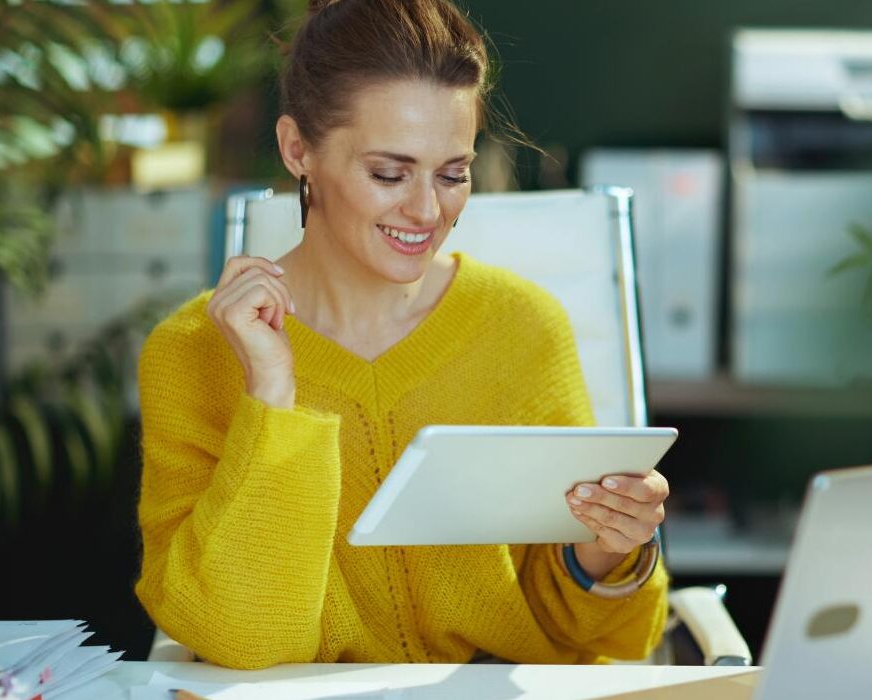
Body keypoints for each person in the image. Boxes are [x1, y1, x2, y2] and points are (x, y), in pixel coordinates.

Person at [134, 0, 669, 670]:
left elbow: (600, 640)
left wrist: (603, 553)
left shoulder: (521, 326)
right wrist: (271, 395)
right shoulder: (191, 353)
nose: (426, 210)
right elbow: (247, 640)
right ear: (298, 149)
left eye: (453, 174)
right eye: (389, 173)